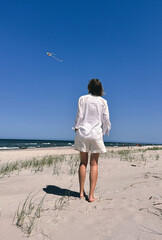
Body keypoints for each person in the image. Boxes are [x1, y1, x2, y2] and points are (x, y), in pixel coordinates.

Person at [73, 79, 111, 202]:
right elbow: (106, 119)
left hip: (83, 133)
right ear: (100, 88)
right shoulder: (103, 102)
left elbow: (79, 115)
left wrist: (76, 127)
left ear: (89, 87)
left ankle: (80, 193)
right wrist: (105, 131)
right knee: (94, 163)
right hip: (96, 134)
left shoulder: (82, 99)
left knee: (83, 162)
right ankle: (91, 195)